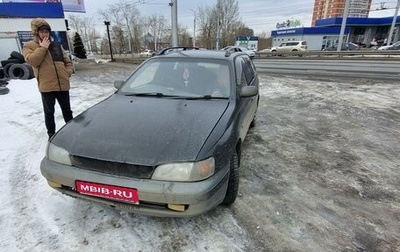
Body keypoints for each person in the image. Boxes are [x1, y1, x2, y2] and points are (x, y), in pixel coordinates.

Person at [23, 18, 74, 139]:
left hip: (62, 84)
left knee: (67, 111)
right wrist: (43, 48)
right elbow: (32, 61)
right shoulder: (29, 46)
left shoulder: (56, 45)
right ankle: (51, 134)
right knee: (49, 113)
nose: (45, 34)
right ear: (36, 33)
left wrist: (67, 73)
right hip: (47, 87)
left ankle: (72, 131)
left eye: (47, 31)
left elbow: (68, 62)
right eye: (42, 31)